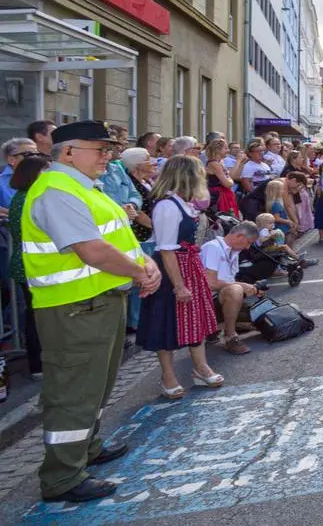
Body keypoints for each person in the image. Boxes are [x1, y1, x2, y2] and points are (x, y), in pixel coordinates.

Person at [20, 120, 161, 503]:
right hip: (75, 308)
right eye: (99, 150)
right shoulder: (57, 191)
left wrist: (143, 266)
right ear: (68, 152)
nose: (108, 156)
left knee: (94, 385)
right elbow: (90, 249)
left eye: (109, 149)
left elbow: (114, 237)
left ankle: (87, 447)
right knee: (74, 392)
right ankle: (62, 476)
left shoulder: (83, 187)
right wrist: (139, 272)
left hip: (97, 301)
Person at [137, 156, 224, 399]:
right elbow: (166, 249)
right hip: (172, 270)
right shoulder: (167, 206)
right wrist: (179, 285)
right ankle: (168, 377)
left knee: (195, 320)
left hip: (189, 265)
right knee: (167, 324)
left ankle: (201, 367)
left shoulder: (184, 203)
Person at [6, 154, 52, 379]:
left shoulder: (22, 196)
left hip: (28, 263)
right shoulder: (31, 197)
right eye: (47, 170)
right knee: (38, 318)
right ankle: (39, 364)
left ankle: (39, 363)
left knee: (35, 316)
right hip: (33, 265)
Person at [201, 220, 262, 355]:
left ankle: (218, 327)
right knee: (235, 290)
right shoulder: (213, 247)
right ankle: (230, 336)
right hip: (204, 302)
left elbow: (227, 282)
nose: (247, 248)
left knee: (263, 318)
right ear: (240, 236)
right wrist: (240, 286)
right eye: (249, 243)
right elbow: (209, 283)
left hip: (219, 299)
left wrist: (250, 289)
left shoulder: (233, 252)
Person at [2, 137, 41, 210]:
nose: (35, 158)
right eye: (29, 154)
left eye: (37, 154)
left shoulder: (44, 177)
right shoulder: (1, 183)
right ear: (11, 159)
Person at [205, 138, 240, 217]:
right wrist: (229, 180)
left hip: (225, 193)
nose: (228, 150)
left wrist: (229, 179)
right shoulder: (214, 164)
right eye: (225, 148)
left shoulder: (220, 162)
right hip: (219, 196)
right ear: (217, 150)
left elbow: (229, 178)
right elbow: (228, 183)